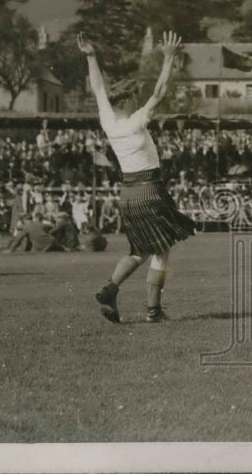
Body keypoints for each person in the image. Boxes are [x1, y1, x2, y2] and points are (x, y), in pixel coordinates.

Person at [79, 30, 196, 324]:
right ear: (129, 99)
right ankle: (154, 312)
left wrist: (91, 56)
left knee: (140, 249)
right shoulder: (136, 121)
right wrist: (169, 57)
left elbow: (97, 88)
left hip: (128, 194)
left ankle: (110, 288)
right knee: (161, 250)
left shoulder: (108, 121)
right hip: (149, 189)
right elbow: (160, 91)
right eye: (135, 97)